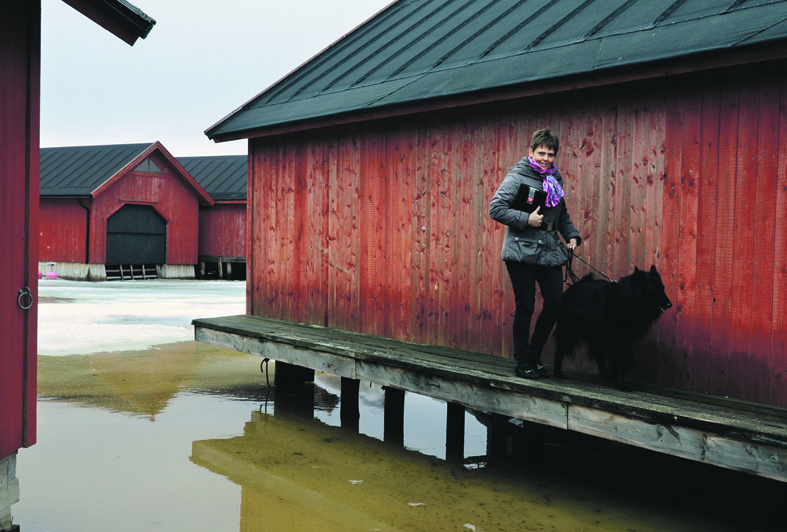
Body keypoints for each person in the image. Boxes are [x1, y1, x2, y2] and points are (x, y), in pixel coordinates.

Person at [488, 128, 581, 379]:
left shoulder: (555, 178)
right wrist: (525, 219)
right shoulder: (518, 176)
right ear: (530, 151)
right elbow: (495, 208)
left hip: (549, 250)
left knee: (555, 303)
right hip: (521, 251)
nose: (545, 158)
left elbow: (561, 214)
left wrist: (571, 235)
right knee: (525, 307)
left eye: (550, 154)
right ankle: (522, 363)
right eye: (541, 152)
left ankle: (534, 355)